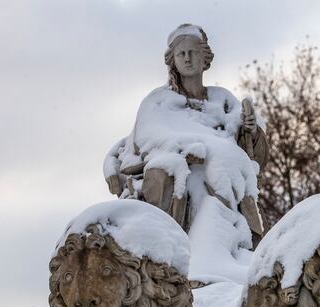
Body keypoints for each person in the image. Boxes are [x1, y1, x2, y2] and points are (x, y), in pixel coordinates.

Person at [103, 24, 269, 240]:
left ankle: (225, 244)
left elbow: (250, 153)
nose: (187, 58)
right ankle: (166, 245)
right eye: (181, 54)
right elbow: (148, 138)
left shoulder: (223, 100)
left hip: (217, 171)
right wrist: (186, 148)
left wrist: (251, 130)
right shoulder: (158, 101)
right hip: (176, 169)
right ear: (174, 60)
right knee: (162, 173)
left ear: (205, 58)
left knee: (222, 172)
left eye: (193, 53)